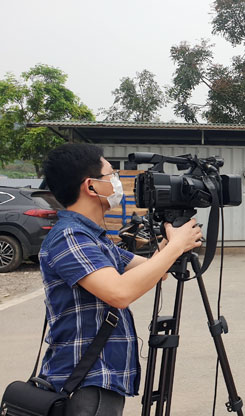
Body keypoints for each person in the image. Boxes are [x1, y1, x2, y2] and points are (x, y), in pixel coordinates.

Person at [38, 143, 203, 415]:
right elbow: (119, 293)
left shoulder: (96, 239)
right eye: (111, 175)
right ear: (91, 186)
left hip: (99, 378)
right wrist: (175, 247)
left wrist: (172, 240)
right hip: (85, 381)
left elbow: (154, 270)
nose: (116, 181)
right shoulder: (70, 236)